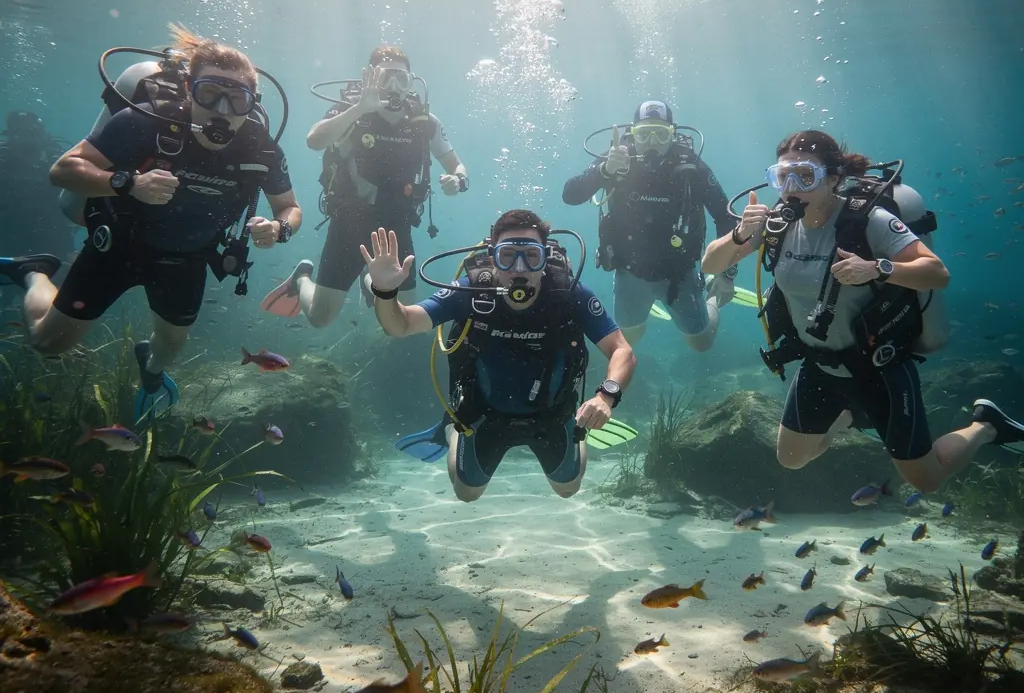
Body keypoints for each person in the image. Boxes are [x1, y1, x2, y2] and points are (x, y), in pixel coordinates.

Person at [0, 25, 301, 421]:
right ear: (191, 89)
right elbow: (63, 170)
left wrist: (280, 230)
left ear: (252, 102)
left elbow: (290, 208)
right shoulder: (145, 122)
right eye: (210, 93)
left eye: (237, 98)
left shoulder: (262, 147)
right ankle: (35, 273)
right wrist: (127, 183)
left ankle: (151, 369)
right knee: (47, 343)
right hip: (119, 245)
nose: (222, 111)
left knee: (171, 347)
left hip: (188, 257)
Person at [701, 129, 1023, 493]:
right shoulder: (778, 223)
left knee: (926, 480)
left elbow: (938, 274)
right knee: (791, 458)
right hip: (819, 363)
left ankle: (986, 425)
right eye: (782, 176)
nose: (792, 187)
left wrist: (879, 268)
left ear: (833, 178)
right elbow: (711, 264)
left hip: (879, 367)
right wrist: (741, 235)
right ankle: (851, 414)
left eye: (805, 176)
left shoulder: (870, 220)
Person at [361, 210, 637, 501]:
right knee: (467, 493)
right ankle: (452, 430)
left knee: (567, 489)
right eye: (508, 256)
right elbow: (401, 324)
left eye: (531, 255)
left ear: (545, 259)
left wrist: (605, 397)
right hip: (483, 413)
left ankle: (578, 424)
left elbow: (622, 350)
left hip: (552, 413)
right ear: (493, 257)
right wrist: (385, 291)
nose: (519, 267)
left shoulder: (569, 294)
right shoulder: (470, 292)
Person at [261, 45, 468, 326]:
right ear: (370, 78)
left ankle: (371, 281)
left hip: (397, 223)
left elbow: (455, 164)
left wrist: (458, 180)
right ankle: (302, 280)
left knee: (404, 312)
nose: (394, 86)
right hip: (350, 220)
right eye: (386, 77)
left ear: (411, 83)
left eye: (402, 79)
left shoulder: (423, 121)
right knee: (320, 318)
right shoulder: (350, 110)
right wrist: (360, 108)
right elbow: (314, 140)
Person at [562, 100, 735, 350]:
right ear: (631, 134)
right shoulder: (616, 159)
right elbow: (570, 195)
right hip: (630, 272)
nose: (652, 142)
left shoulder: (691, 166)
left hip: (680, 273)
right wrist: (604, 170)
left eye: (660, 133)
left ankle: (711, 298)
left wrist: (726, 273)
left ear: (672, 135)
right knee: (627, 342)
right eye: (644, 133)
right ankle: (649, 303)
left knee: (701, 344)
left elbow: (725, 214)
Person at [0, 111, 78, 271]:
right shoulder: (2, 163)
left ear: (43, 135)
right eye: (19, 133)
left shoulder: (59, 162)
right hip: (6, 243)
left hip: (52, 244)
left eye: (32, 133)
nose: (26, 140)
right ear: (10, 136)